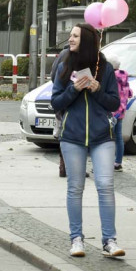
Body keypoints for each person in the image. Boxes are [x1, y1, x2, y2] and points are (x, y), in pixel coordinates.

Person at [51, 23, 123, 258]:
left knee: (105, 186)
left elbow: (114, 103)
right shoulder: (64, 66)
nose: (69, 39)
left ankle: (109, 241)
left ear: (87, 41)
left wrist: (96, 89)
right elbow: (55, 103)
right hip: (72, 137)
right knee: (75, 188)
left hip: (102, 136)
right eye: (70, 35)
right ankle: (76, 239)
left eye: (74, 36)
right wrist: (73, 89)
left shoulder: (105, 69)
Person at [109, 54, 131, 172]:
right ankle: (118, 162)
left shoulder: (110, 78)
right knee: (118, 138)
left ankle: (106, 162)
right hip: (121, 112)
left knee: (107, 138)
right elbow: (130, 93)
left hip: (111, 112)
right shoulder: (125, 78)